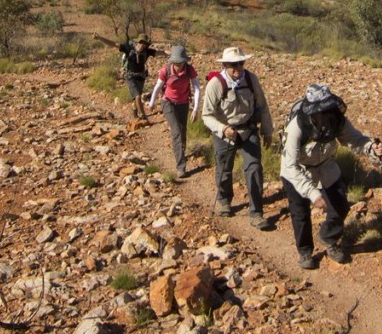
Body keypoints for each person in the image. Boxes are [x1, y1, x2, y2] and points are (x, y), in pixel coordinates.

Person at [280, 84, 382, 270]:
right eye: (323, 109)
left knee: (340, 205)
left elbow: (355, 140)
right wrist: (312, 194)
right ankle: (305, 252)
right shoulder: (297, 127)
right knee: (300, 212)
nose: (328, 112)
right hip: (297, 171)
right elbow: (291, 165)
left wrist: (370, 148)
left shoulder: (337, 120)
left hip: (326, 166)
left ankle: (329, 238)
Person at [200, 46, 275, 230]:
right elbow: (206, 115)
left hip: (248, 130)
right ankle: (224, 201)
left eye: (240, 63)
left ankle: (256, 213)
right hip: (224, 133)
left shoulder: (251, 79)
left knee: (254, 169)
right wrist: (222, 128)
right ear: (225, 64)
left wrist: (267, 131)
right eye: (233, 64)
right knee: (225, 169)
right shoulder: (215, 84)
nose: (238, 68)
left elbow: (263, 105)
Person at [146, 44, 202, 177]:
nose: (178, 64)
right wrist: (152, 102)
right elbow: (158, 86)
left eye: (180, 62)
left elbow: (197, 88)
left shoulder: (189, 70)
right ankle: (181, 166)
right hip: (168, 102)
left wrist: (195, 109)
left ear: (184, 61)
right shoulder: (166, 71)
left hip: (183, 103)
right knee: (176, 131)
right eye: (175, 62)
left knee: (183, 132)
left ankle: (180, 152)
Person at [93, 34, 160, 120]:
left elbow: (162, 52)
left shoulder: (147, 51)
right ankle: (143, 115)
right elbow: (113, 44)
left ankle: (135, 109)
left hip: (141, 77)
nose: (142, 45)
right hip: (130, 76)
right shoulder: (128, 48)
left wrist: (176, 54)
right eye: (141, 42)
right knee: (138, 96)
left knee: (137, 95)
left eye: (145, 43)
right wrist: (99, 38)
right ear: (137, 42)